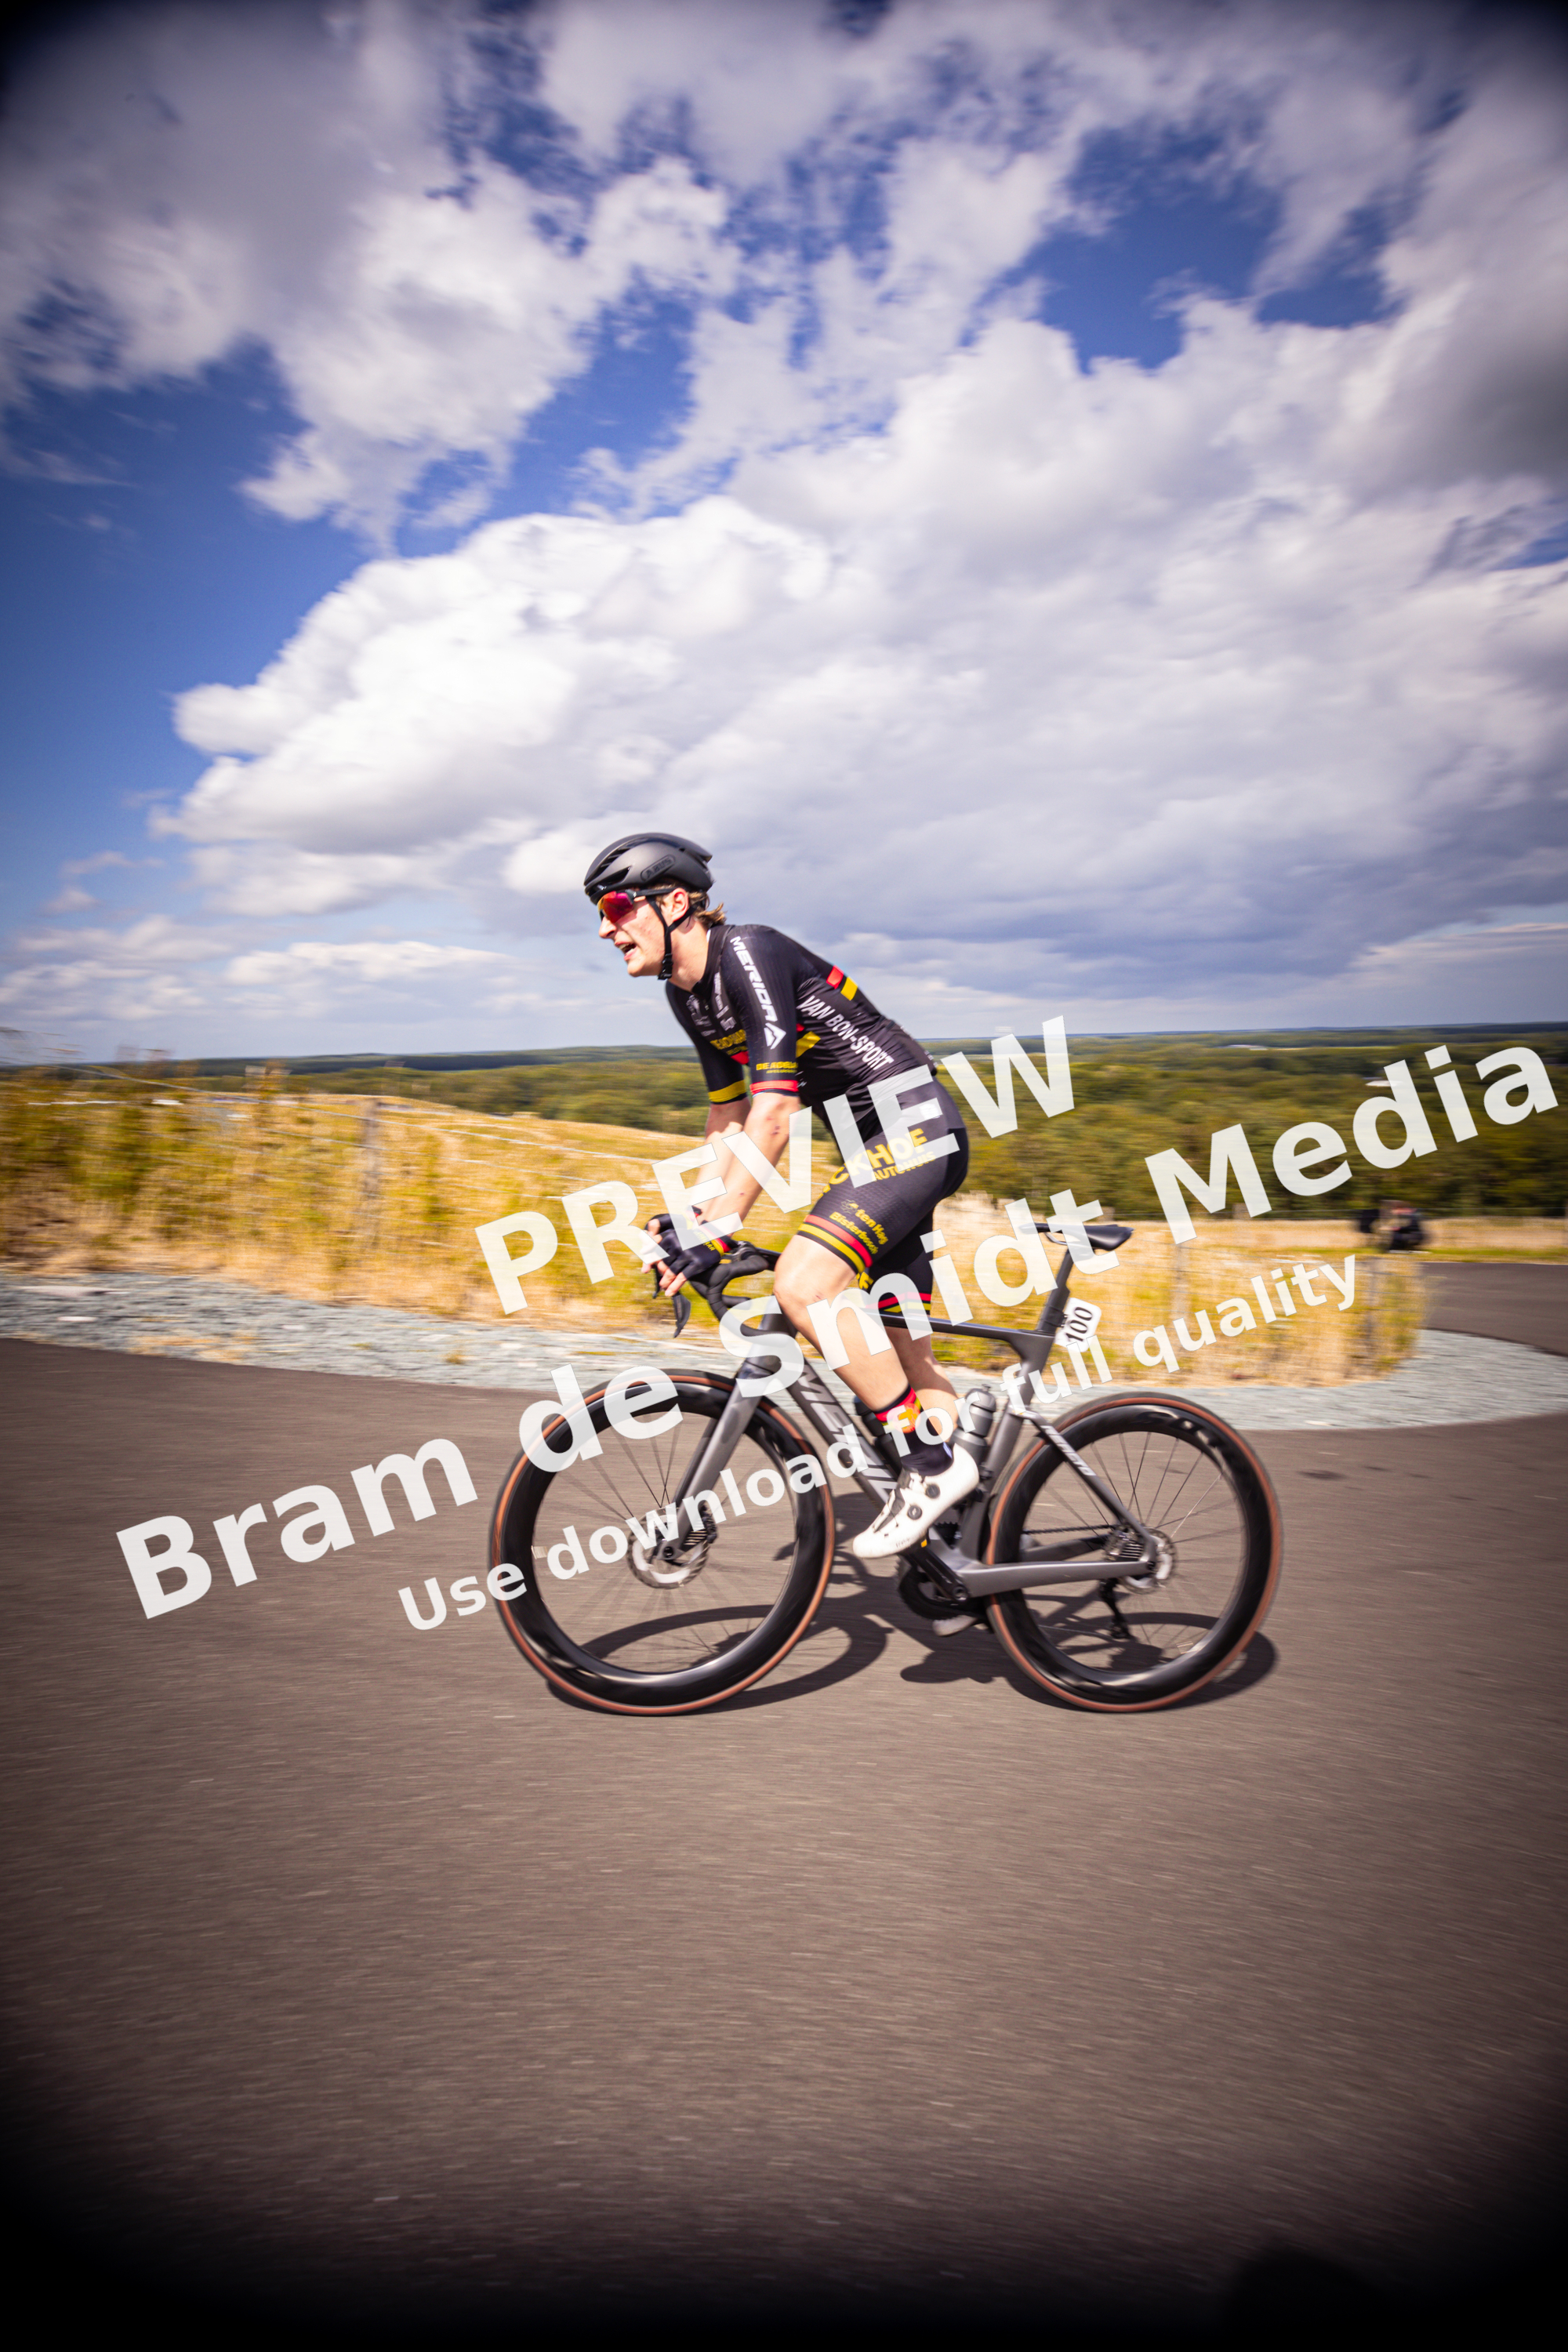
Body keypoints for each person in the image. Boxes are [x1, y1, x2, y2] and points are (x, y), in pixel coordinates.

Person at [583, 831, 976, 1560]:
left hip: (914, 1133)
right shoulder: (687, 994)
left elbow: (774, 1114)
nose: (606, 929)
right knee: (907, 1362)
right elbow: (728, 1117)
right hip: (877, 1152)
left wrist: (718, 1227)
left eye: (615, 907)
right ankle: (968, 1546)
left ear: (677, 905)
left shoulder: (748, 955)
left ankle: (932, 1468)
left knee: (804, 1282)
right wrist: (697, 1217)